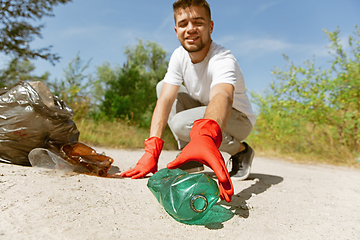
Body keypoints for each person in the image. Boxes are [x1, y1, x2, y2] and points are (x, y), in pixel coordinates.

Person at [121, 0, 256, 203]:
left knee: (180, 122)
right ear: (176, 30)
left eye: (198, 22)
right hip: (204, 109)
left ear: (210, 26)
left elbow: (223, 96)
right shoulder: (179, 55)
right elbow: (165, 99)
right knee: (162, 87)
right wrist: (152, 149)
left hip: (237, 118)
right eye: (184, 24)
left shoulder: (223, 58)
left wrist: (206, 135)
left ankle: (241, 151)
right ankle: (191, 160)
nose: (190, 29)